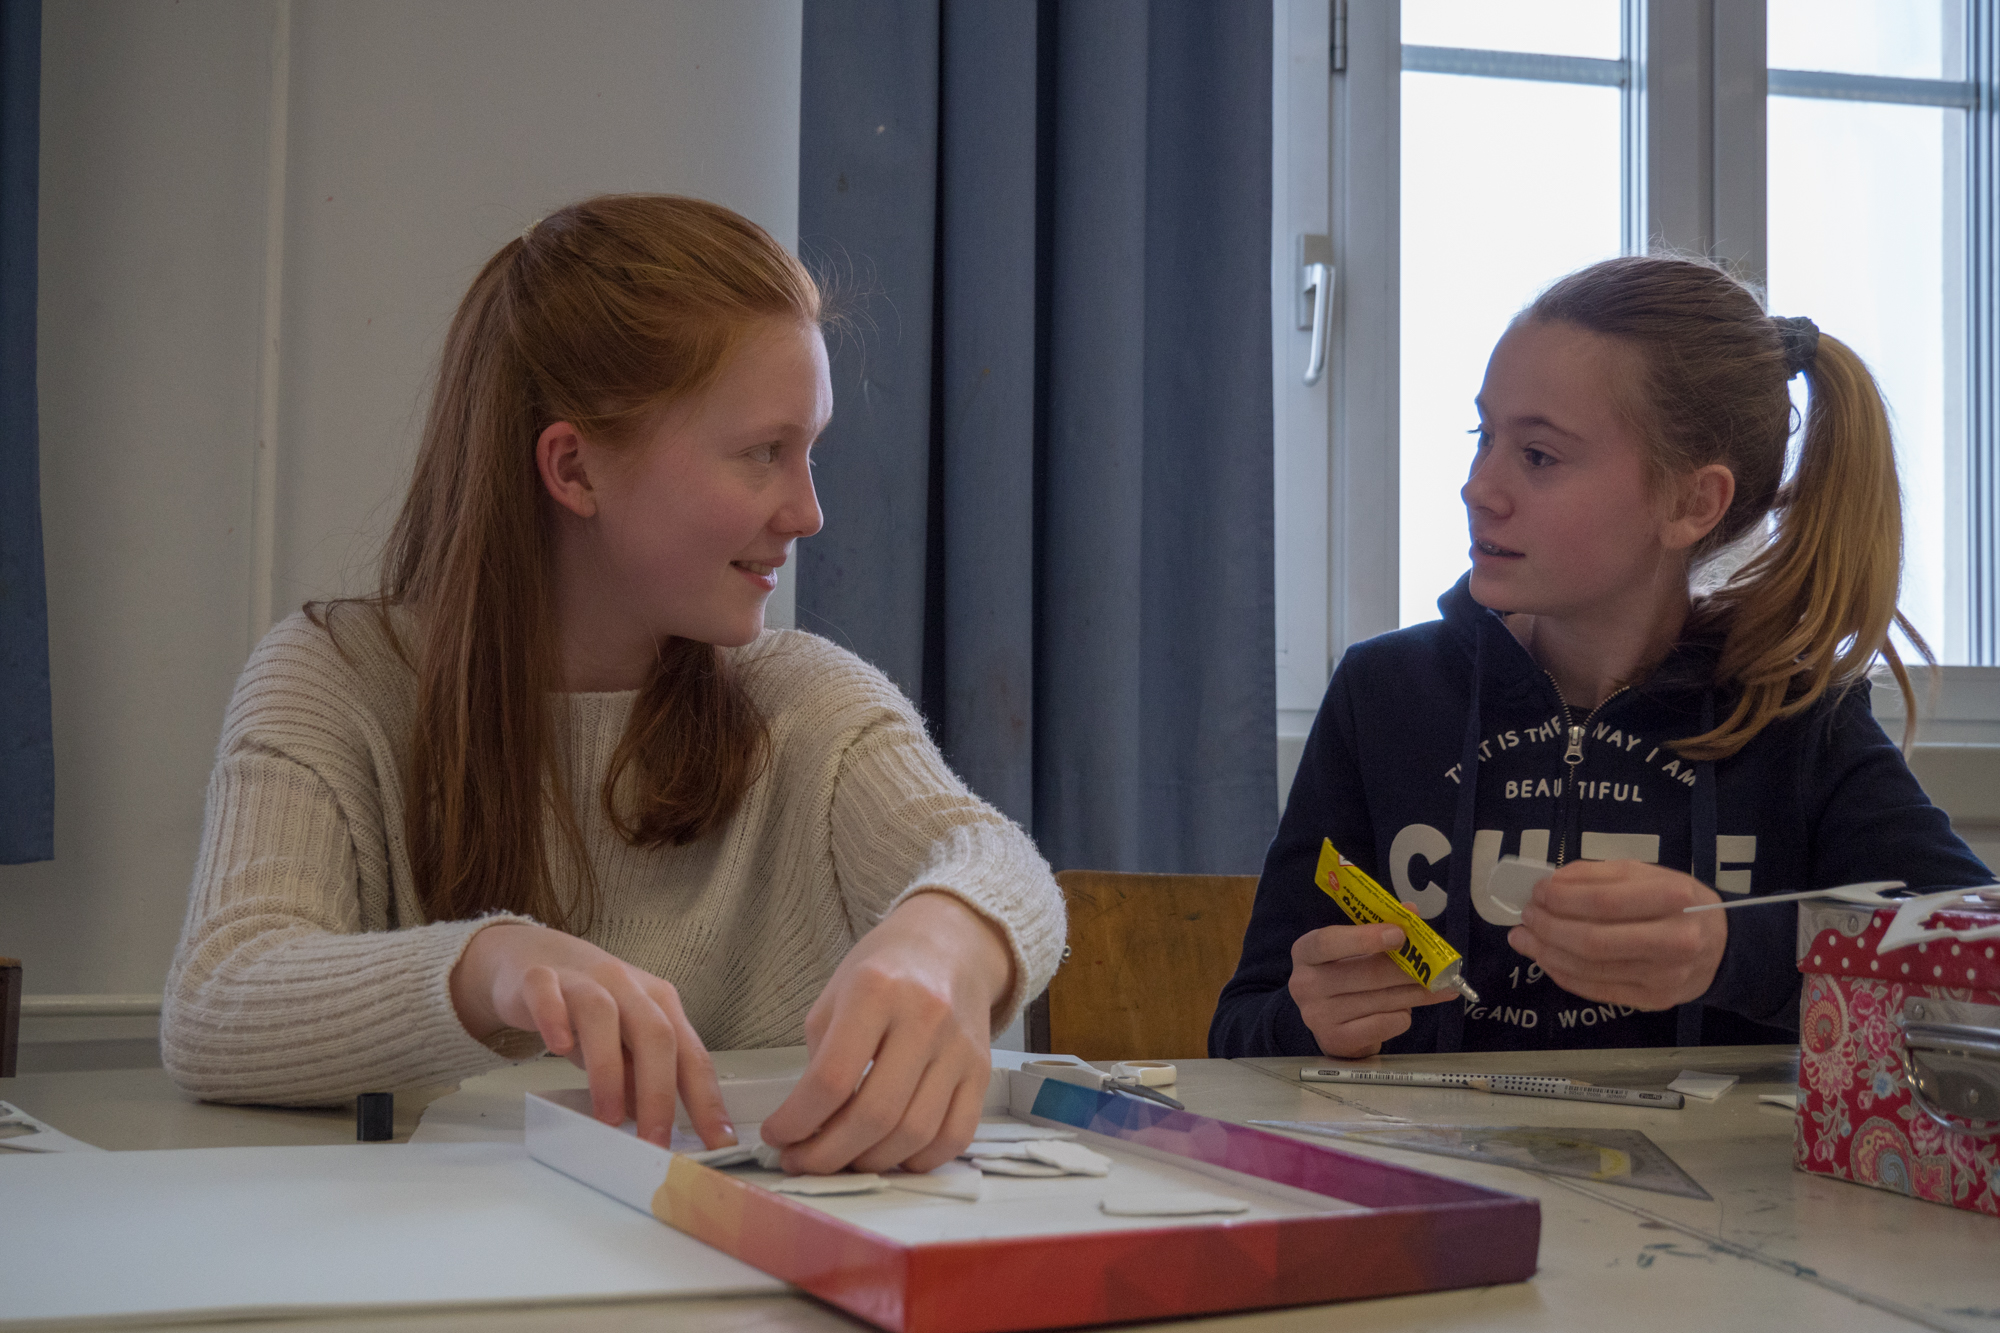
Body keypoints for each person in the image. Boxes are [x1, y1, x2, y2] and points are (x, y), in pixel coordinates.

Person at [162, 194, 1066, 1173]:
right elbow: (216, 1002)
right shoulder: (333, 677)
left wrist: (946, 938)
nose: (808, 512)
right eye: (763, 453)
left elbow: (991, 858)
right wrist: (494, 965)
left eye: (809, 452)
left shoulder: (806, 701)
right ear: (574, 469)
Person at [1211, 254, 1992, 1059]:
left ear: (1692, 502)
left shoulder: (1794, 717)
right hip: (1434, 1143)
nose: (1478, 487)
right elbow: (1239, 1028)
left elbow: (1979, 967)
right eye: (1485, 436)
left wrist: (1733, 953)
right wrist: (1305, 1021)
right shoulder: (1383, 694)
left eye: (1538, 456)